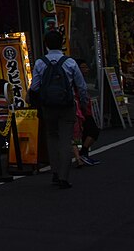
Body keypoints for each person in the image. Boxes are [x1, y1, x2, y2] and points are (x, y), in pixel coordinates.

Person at [30, 29, 88, 189]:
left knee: (52, 137)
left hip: (48, 106)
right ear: (61, 43)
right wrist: (83, 103)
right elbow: (81, 86)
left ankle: (55, 171)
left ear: (46, 44)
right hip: (67, 105)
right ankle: (64, 175)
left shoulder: (40, 63)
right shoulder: (70, 62)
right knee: (65, 139)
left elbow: (34, 87)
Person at [73, 89, 100, 167]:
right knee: (92, 132)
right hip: (80, 111)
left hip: (78, 110)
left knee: (80, 135)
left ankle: (80, 156)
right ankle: (82, 154)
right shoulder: (78, 81)